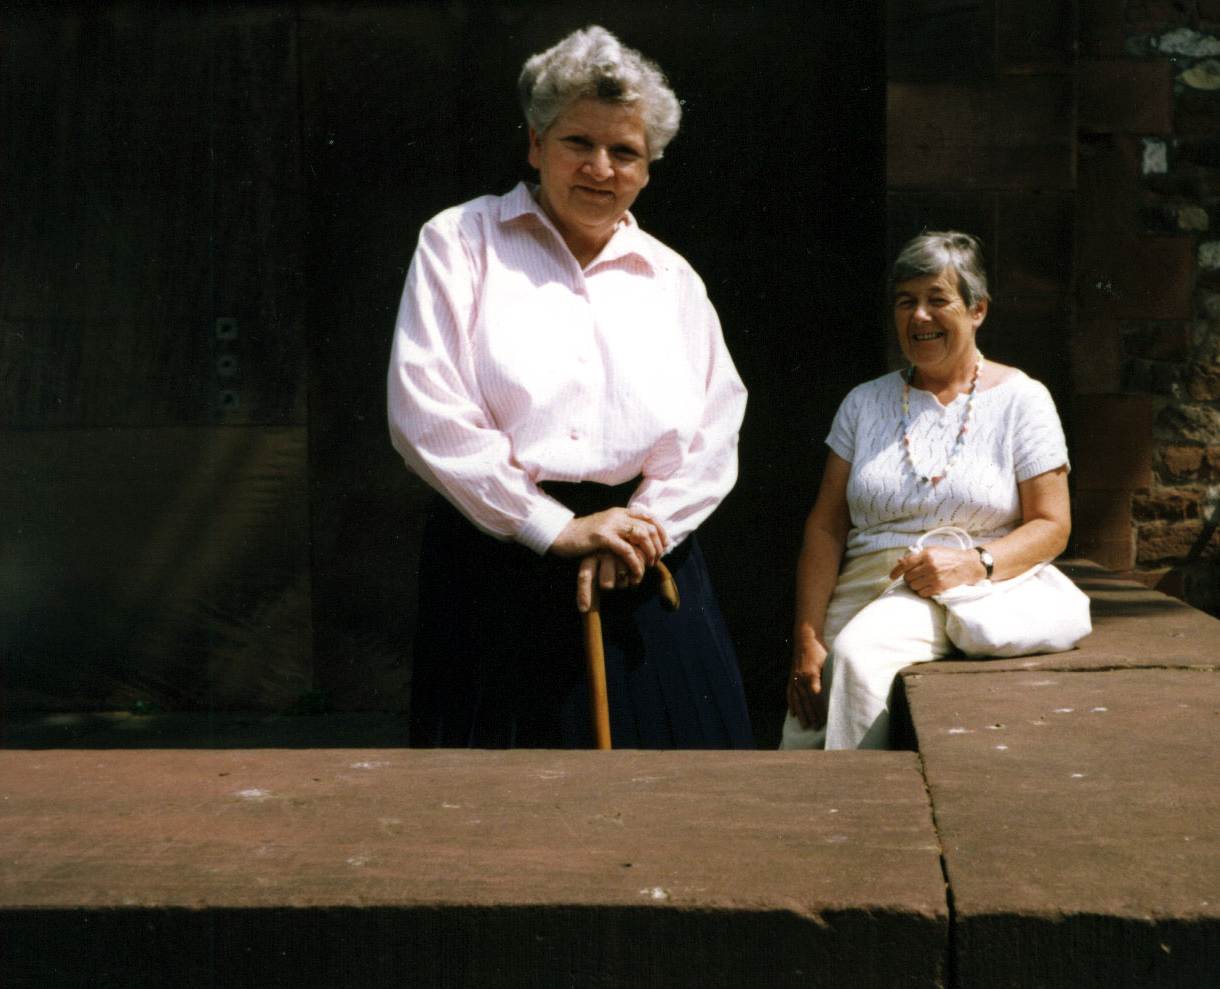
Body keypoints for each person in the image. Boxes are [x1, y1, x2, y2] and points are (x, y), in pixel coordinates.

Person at [387, 26, 751, 750]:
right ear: (534, 143)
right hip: (501, 555)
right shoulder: (459, 243)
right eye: (577, 142)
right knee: (503, 795)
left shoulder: (672, 277)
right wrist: (553, 527)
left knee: (681, 787)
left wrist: (642, 528)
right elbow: (425, 413)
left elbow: (715, 430)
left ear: (648, 168)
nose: (600, 168)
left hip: (645, 557)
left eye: (625, 152)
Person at [780, 231, 1072, 750]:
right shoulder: (863, 403)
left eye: (938, 299)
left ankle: (860, 799)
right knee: (808, 722)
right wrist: (807, 638)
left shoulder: (1024, 400)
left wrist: (974, 564)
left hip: (965, 589)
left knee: (858, 660)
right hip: (862, 586)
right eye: (905, 301)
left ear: (977, 310)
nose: (919, 316)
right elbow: (825, 527)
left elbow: (1052, 525)